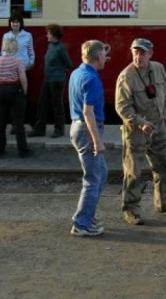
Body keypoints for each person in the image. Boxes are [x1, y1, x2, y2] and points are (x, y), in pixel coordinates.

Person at [115, 38, 166, 226]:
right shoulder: (126, 76)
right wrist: (140, 122)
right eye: (135, 52)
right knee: (133, 173)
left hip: (158, 127)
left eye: (142, 52)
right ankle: (131, 210)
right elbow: (122, 107)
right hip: (136, 132)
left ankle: (164, 202)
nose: (138, 56)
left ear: (150, 54)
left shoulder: (159, 68)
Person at [69, 40, 109, 237]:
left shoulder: (77, 73)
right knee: (93, 179)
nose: (106, 58)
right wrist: (97, 140)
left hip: (77, 128)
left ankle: (87, 213)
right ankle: (81, 224)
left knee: (101, 173)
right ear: (98, 56)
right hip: (87, 130)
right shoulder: (92, 79)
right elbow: (88, 112)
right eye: (103, 54)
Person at [31, 24, 73, 138]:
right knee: (42, 103)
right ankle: (39, 129)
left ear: (54, 35)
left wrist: (59, 69)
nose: (47, 35)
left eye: (48, 33)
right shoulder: (51, 46)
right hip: (48, 78)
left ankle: (59, 130)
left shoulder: (60, 48)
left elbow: (69, 64)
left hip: (57, 80)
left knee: (57, 104)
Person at [0, 38, 31, 158]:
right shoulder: (17, 61)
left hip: (2, 91)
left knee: (1, 122)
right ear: (14, 48)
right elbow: (23, 79)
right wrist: (24, 92)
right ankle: (22, 151)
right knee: (18, 123)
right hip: (15, 90)